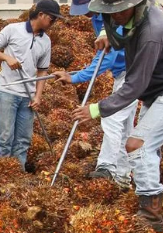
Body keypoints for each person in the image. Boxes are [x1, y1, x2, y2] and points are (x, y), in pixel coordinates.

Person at [72, 0, 163, 232]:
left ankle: (151, 216)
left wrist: (95, 110)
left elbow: (134, 86)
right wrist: (106, 34)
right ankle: (147, 198)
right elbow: (115, 24)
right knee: (146, 145)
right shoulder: (134, 15)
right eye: (109, 13)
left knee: (138, 145)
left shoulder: (152, 32)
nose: (115, 16)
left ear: (135, 5)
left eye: (119, 10)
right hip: (158, 87)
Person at [52, 0, 137, 188]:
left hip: (133, 73)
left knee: (112, 116)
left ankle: (106, 167)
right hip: (122, 74)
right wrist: (72, 75)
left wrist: (75, 78)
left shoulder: (115, 16)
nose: (86, 14)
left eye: (87, 10)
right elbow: (100, 57)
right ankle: (123, 177)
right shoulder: (97, 20)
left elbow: (107, 57)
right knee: (124, 126)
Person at [0, 0, 62, 169]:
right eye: (52, 18)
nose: (54, 23)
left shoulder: (46, 41)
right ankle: (0, 175)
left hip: (27, 96)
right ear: (40, 15)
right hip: (6, 91)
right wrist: (7, 57)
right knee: (5, 139)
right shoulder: (13, 29)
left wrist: (38, 96)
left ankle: (17, 175)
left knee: (23, 140)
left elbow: (42, 71)